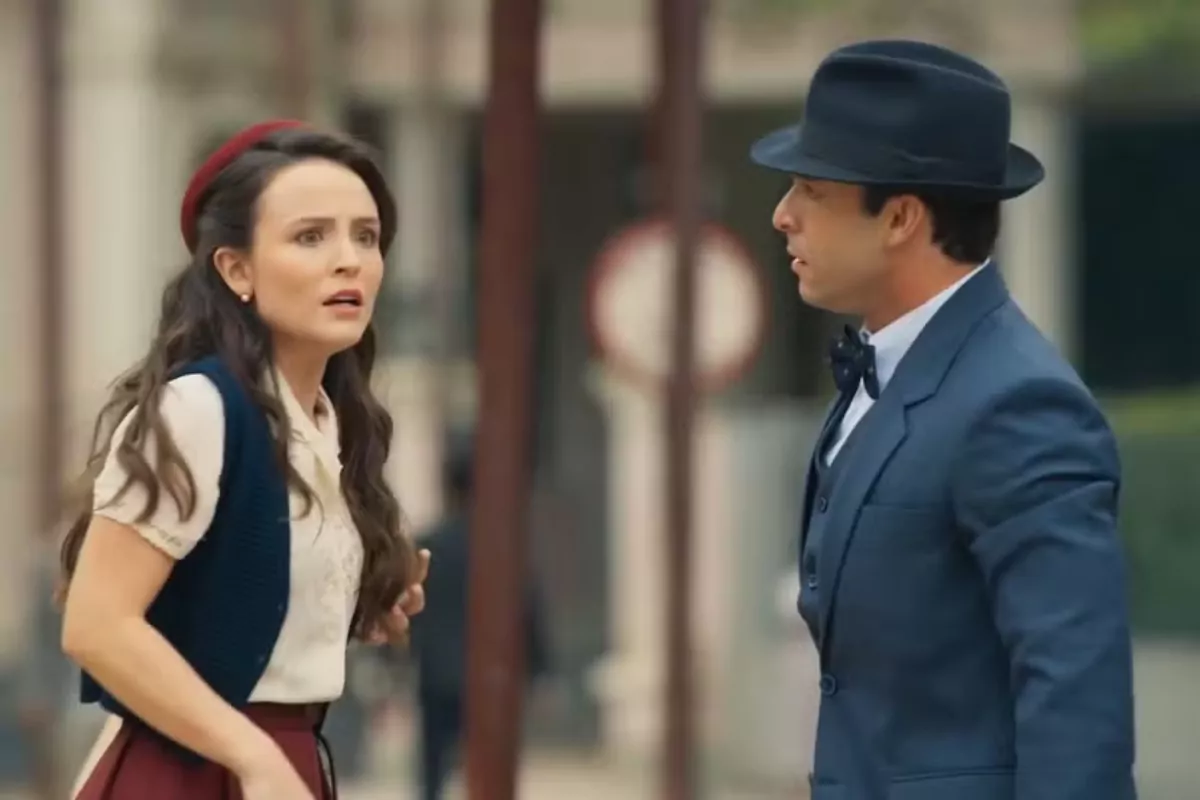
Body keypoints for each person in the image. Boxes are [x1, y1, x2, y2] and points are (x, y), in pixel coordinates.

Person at [749, 41, 1136, 799]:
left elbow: (1075, 703)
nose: (782, 215)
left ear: (899, 217)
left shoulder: (1019, 403)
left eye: (811, 191)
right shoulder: (887, 370)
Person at [57, 119, 431, 800]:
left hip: (284, 759)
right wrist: (253, 757)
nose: (349, 260)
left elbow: (248, 609)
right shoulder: (197, 408)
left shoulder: (327, 422)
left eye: (366, 236)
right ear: (236, 269)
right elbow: (96, 625)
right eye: (310, 237)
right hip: (191, 772)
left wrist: (364, 593)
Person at [407, 432, 549, 800]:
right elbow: (526, 608)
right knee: (490, 772)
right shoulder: (502, 545)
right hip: (491, 678)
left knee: (432, 773)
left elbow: (409, 609)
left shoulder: (429, 544)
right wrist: (537, 667)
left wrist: (396, 663)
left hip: (436, 676)